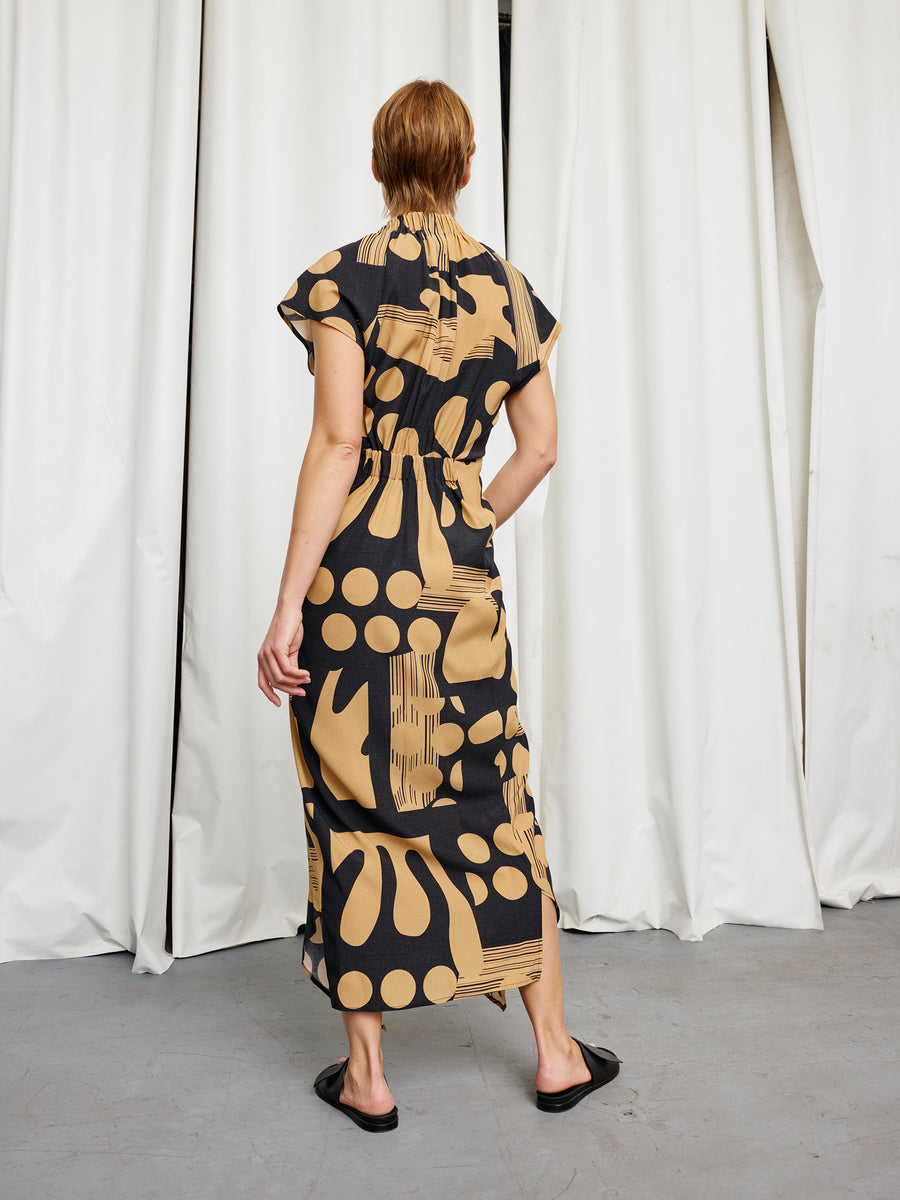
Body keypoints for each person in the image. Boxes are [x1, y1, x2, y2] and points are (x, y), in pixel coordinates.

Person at [257, 79, 620, 1133]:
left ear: (381, 165)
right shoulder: (507, 291)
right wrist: (464, 520)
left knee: (355, 799)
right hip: (454, 577)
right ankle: (556, 1055)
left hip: (357, 577)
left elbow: (338, 442)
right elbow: (540, 446)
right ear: (465, 167)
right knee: (491, 795)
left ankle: (368, 1077)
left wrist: (287, 604)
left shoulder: (343, 281)